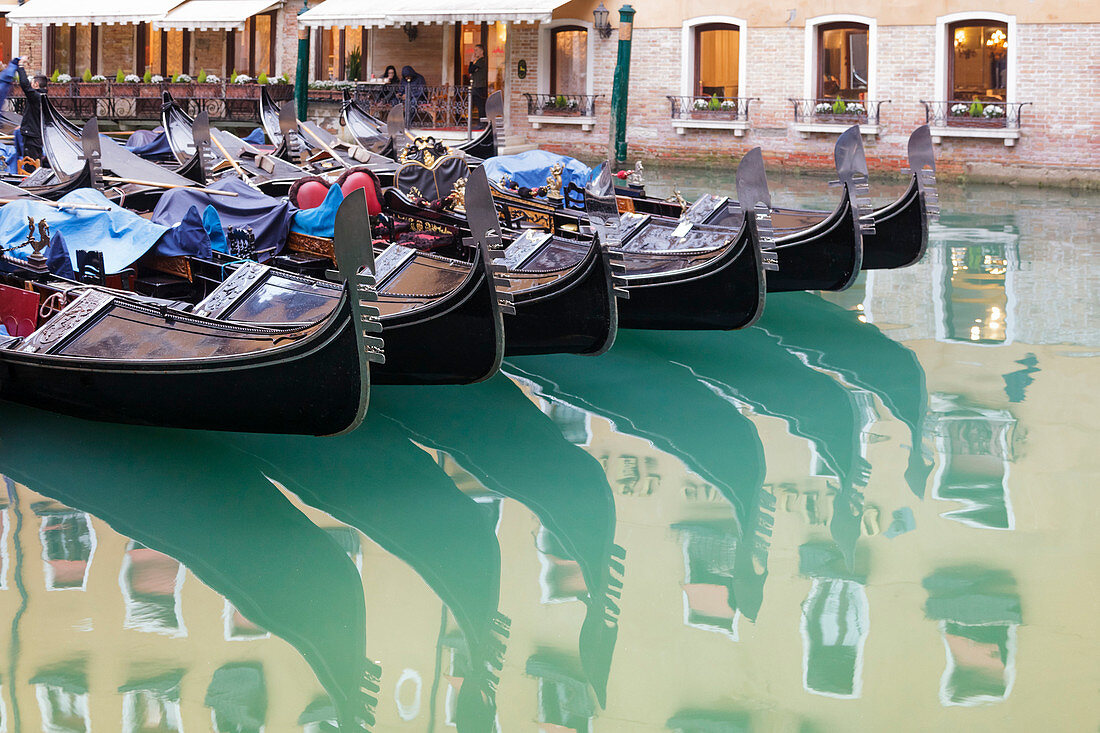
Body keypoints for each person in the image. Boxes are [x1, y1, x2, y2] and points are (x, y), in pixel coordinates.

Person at [15, 59, 48, 166]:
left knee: (31, 164)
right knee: (36, 162)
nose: (30, 84)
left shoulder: (36, 97)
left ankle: (32, 181)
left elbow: (24, 85)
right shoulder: (44, 97)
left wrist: (20, 66)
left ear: (36, 84)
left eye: (32, 82)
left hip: (32, 136)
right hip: (37, 134)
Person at [468, 44, 488, 122]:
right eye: (474, 50)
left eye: (476, 50)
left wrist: (471, 61)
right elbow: (472, 70)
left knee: (480, 106)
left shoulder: (481, 61)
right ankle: (480, 122)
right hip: (477, 86)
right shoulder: (479, 62)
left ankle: (482, 123)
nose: (475, 52)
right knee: (477, 105)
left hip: (479, 87)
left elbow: (470, 70)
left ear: (481, 51)